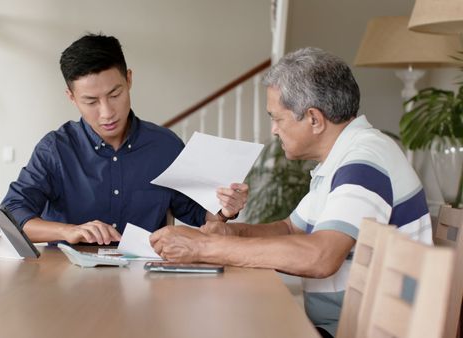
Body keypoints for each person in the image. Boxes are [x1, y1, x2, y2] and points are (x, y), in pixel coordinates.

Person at [150, 47, 432, 338]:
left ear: (314, 119)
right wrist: (229, 235)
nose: (273, 130)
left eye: (277, 118)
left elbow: (321, 256)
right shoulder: (341, 160)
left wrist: (202, 248)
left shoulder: (364, 161)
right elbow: (290, 229)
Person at [1, 33, 248, 246]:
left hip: (145, 279)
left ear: (129, 79)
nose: (107, 112)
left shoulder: (165, 146)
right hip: (69, 279)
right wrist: (69, 231)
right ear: (71, 97)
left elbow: (199, 215)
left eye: (115, 94)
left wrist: (224, 209)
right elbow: (11, 214)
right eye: (91, 101)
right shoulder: (54, 149)